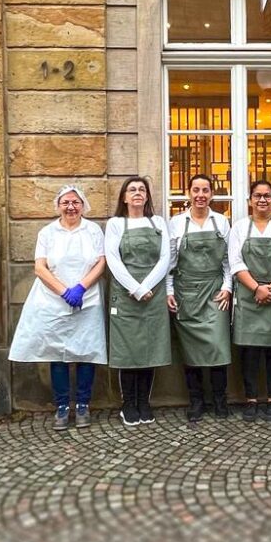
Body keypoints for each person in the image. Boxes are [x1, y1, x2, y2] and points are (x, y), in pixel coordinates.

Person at [9, 185, 107, 431]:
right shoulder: (47, 232)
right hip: (53, 300)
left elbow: (100, 262)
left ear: (83, 205)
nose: (71, 207)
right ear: (58, 206)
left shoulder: (93, 230)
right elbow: (40, 267)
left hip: (87, 300)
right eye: (66, 202)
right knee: (57, 353)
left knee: (87, 352)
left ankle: (83, 404)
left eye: (75, 202)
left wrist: (80, 288)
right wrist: (64, 291)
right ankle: (62, 406)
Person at [229, 179, 271, 423]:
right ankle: (250, 399)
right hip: (249, 297)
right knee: (249, 350)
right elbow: (235, 263)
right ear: (250, 200)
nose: (262, 200)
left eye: (267, 195)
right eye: (257, 196)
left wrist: (270, 289)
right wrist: (256, 288)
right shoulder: (239, 228)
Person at [105, 176, 172, 427]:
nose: (137, 193)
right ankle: (128, 403)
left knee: (150, 350)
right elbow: (113, 259)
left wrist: (147, 286)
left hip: (153, 295)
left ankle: (144, 402)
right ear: (124, 197)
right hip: (125, 296)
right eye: (132, 189)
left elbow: (165, 257)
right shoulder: (115, 224)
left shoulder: (158, 223)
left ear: (147, 196)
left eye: (142, 189)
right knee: (127, 351)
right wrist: (135, 288)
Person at [166, 175, 233, 421]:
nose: (200, 195)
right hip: (186, 293)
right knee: (190, 350)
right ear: (188, 193)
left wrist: (227, 287)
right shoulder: (176, 223)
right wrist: (169, 291)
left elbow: (228, 261)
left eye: (205, 190)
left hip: (215, 292)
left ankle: (220, 399)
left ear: (211, 194)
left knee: (218, 346)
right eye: (196, 190)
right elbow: (170, 263)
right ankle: (196, 401)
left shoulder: (221, 222)